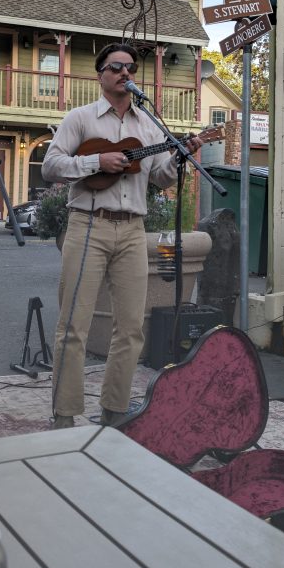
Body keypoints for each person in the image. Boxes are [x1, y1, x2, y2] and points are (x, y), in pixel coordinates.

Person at [41, 42, 201, 429]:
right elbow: (50, 166)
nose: (125, 73)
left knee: (130, 327)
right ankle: (64, 414)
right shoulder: (80, 118)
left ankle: (114, 409)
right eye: (116, 67)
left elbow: (159, 177)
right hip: (88, 223)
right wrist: (97, 161)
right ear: (101, 75)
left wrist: (180, 158)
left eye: (130, 68)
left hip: (133, 229)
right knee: (73, 326)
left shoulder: (149, 126)